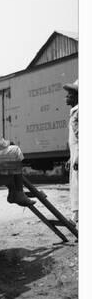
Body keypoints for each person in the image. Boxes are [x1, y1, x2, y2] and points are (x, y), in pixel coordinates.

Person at [63, 79, 78, 225]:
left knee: (78, 185)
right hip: (75, 155)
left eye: (69, 95)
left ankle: (75, 217)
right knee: (75, 185)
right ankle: (75, 216)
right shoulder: (74, 112)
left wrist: (78, 157)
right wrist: (70, 157)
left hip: (79, 156)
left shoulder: (79, 112)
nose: (66, 97)